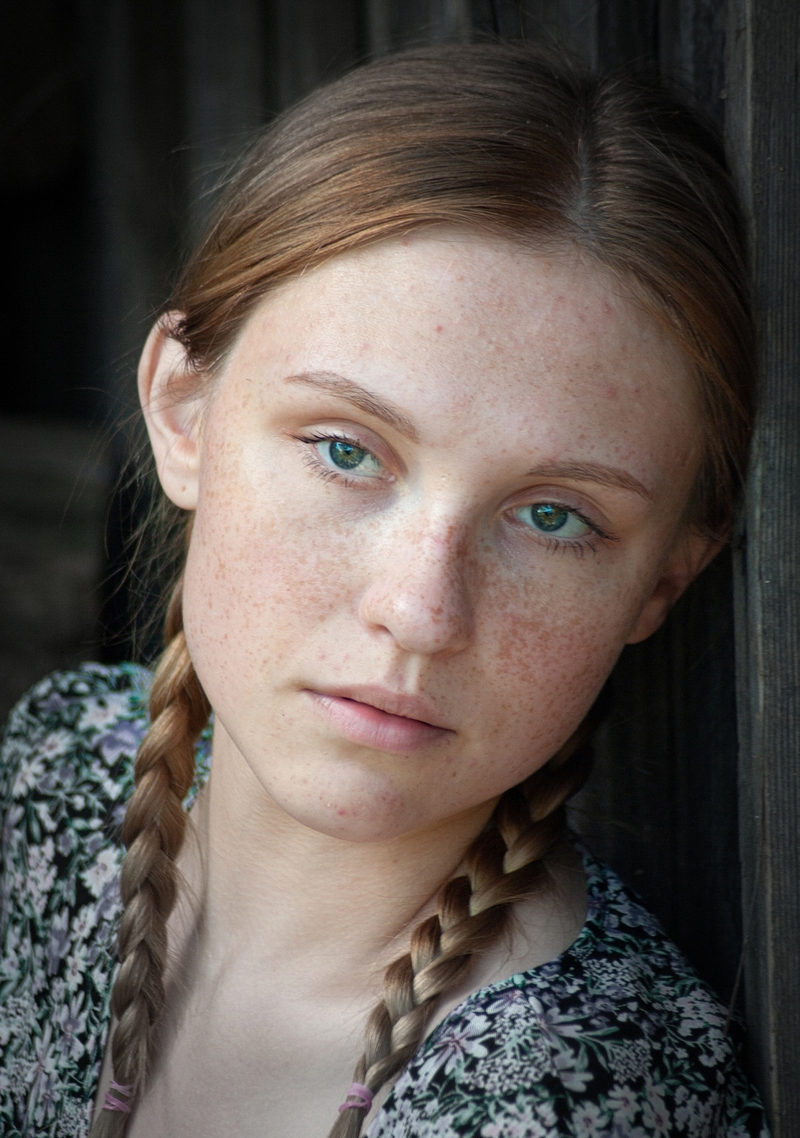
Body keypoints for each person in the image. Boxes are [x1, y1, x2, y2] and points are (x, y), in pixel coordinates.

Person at [0, 41, 770, 1138]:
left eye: (551, 517)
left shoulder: (572, 1103)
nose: (417, 612)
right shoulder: (60, 780)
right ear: (182, 409)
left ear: (663, 579)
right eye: (347, 452)